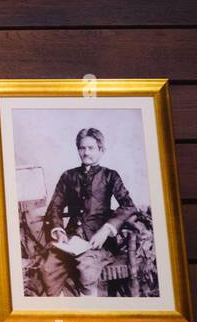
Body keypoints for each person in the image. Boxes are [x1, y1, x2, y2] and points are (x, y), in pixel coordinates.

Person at [36, 127, 136, 297]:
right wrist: (59, 230)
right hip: (71, 239)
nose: (86, 153)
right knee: (47, 267)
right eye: (82, 148)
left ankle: (89, 308)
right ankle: (59, 311)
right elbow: (55, 207)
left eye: (91, 148)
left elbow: (128, 205)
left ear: (101, 150)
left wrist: (106, 230)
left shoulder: (110, 176)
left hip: (98, 241)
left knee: (85, 268)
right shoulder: (68, 176)